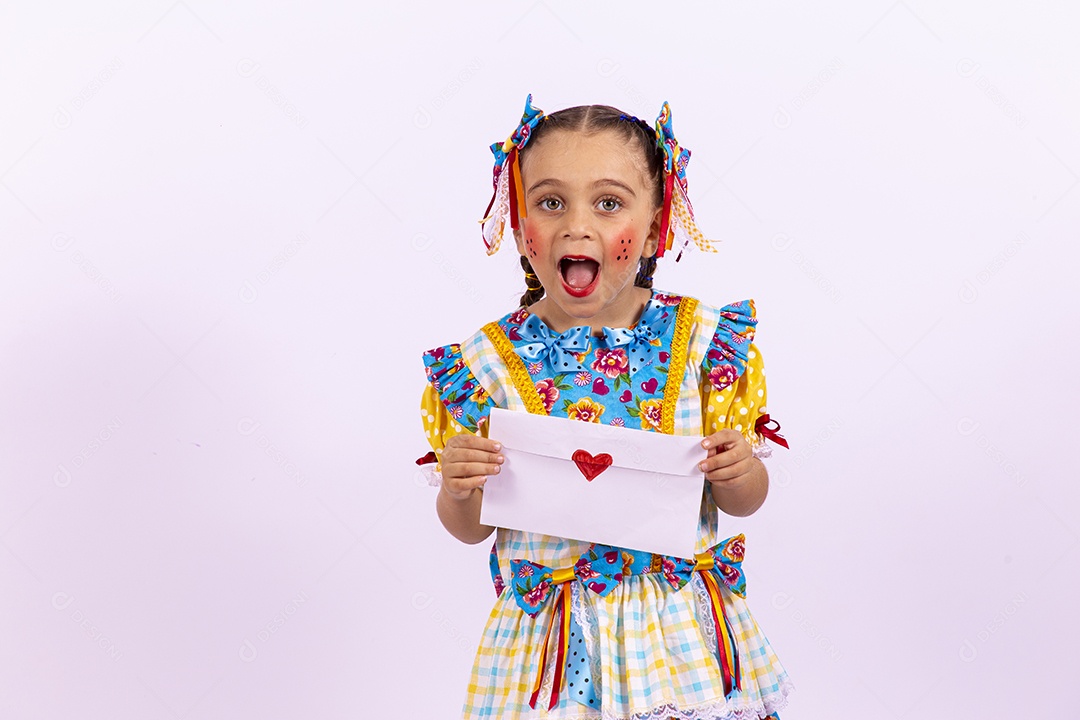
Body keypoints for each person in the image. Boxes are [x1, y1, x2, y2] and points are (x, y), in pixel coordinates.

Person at [417, 94, 794, 720]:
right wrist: (459, 488)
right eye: (550, 202)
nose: (576, 225)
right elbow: (470, 528)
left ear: (654, 227)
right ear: (519, 223)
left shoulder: (705, 347)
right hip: (553, 651)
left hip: (674, 641)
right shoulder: (482, 366)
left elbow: (743, 502)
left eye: (609, 203)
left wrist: (740, 470)